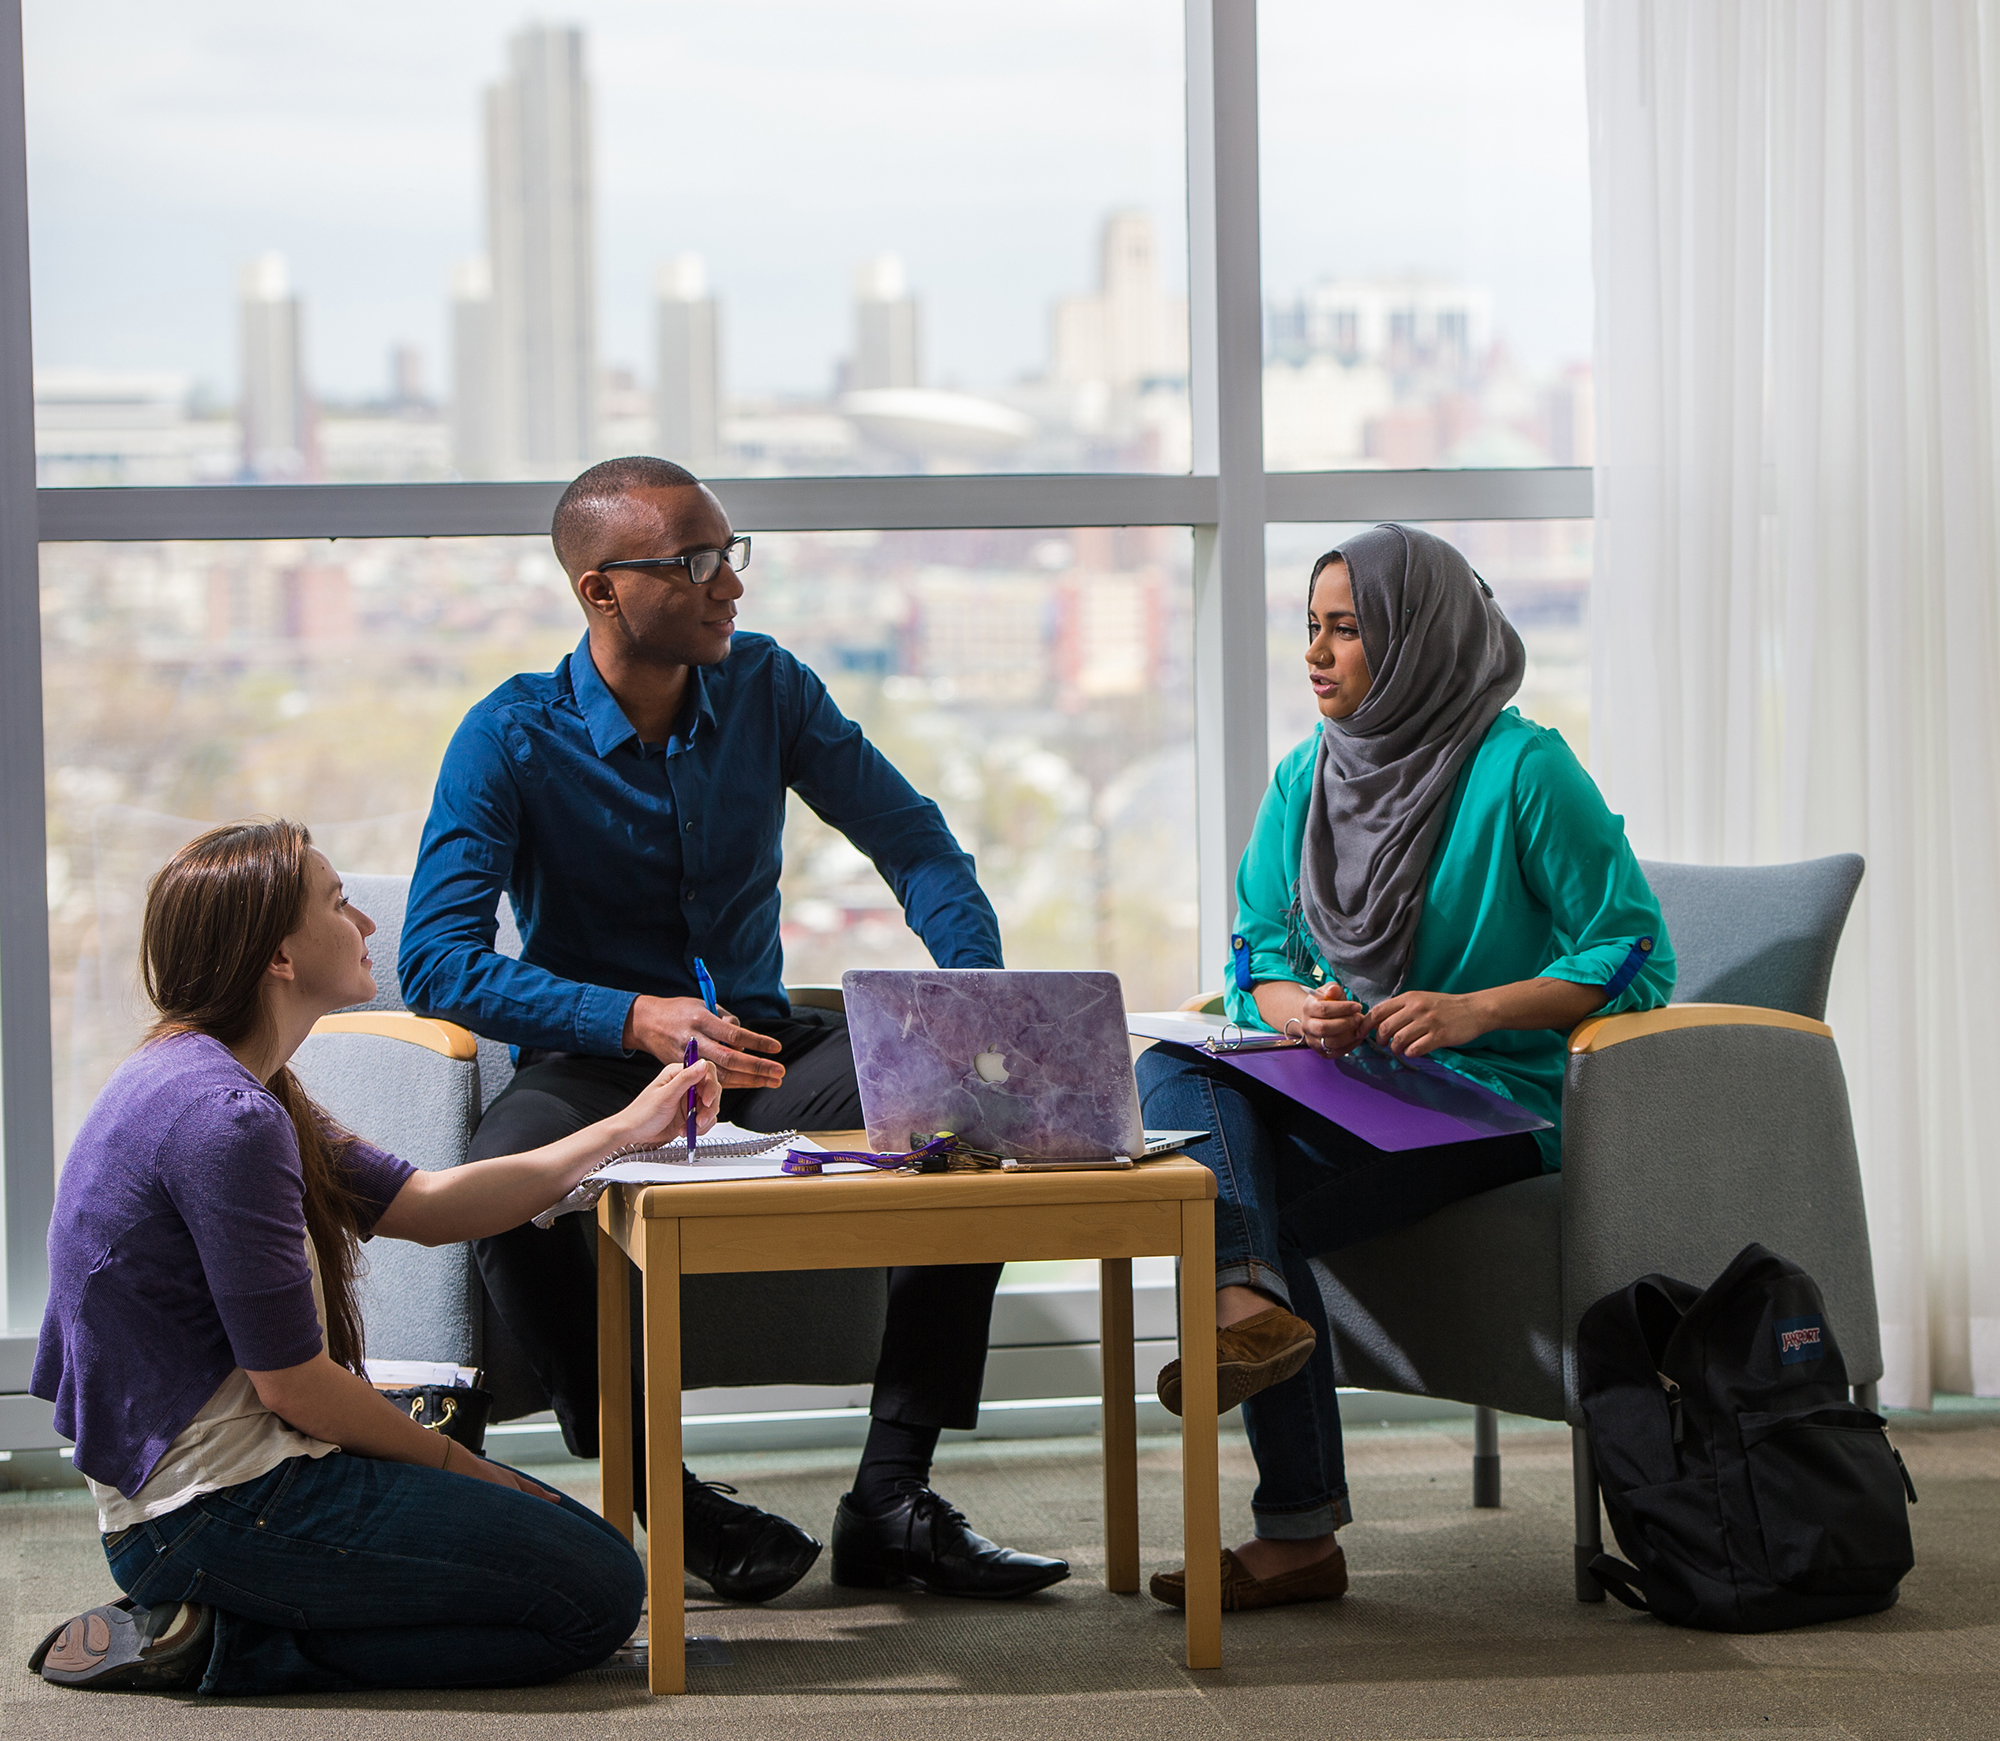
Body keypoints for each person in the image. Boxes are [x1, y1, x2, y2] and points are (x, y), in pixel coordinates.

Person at [396, 454, 1067, 1606]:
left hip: (761, 1054)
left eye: (729, 553)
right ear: (599, 590)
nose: (728, 586)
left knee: (953, 1105)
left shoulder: (769, 687)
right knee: (502, 1181)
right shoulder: (506, 735)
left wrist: (970, 995)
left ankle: (892, 1499)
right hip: (597, 1065)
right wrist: (633, 1015)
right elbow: (434, 959)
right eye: (693, 562)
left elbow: (911, 843)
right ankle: (673, 1500)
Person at [28, 820, 714, 1694]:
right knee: (600, 1594)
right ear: (280, 955)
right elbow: (296, 1386)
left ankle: (225, 1611)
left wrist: (628, 1126)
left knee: (573, 1551)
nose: (367, 925)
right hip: (212, 1511)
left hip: (205, 1489)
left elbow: (429, 1206)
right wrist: (475, 1472)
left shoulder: (216, 1075)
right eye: (337, 902)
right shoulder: (224, 1119)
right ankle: (226, 1641)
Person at [1138, 524, 1675, 1613]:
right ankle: (1246, 1302)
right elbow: (1254, 953)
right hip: (1350, 1087)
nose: (1316, 654)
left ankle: (1293, 1519)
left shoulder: (1523, 768)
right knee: (1172, 1068)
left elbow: (1632, 953)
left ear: (1415, 637)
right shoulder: (1307, 776)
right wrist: (1306, 1012)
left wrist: (1475, 1009)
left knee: (1249, 1208)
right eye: (1311, 629)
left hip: (1492, 1106)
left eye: (1347, 630)